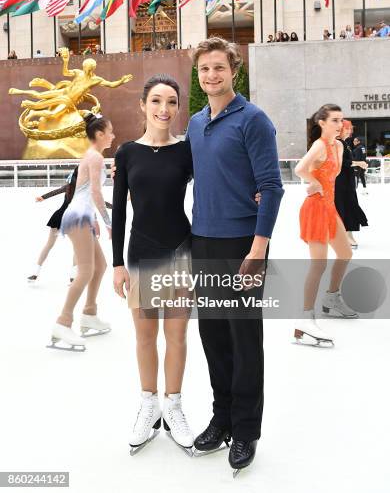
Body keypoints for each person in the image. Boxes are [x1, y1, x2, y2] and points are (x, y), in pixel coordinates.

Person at [188, 37, 284, 474]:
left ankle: (245, 429)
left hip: (243, 245)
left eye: (219, 68)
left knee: (245, 341)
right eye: (204, 69)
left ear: (234, 71)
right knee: (213, 338)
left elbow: (273, 186)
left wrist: (259, 249)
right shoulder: (194, 123)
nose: (211, 75)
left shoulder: (254, 120)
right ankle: (221, 417)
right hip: (202, 241)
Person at [112, 75, 194, 455]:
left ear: (179, 108)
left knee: (176, 336)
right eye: (157, 101)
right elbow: (120, 216)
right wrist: (116, 263)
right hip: (141, 253)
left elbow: (215, 188)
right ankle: (149, 405)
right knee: (145, 337)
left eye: (173, 102)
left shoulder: (187, 151)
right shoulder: (127, 153)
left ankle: (173, 406)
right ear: (143, 105)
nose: (165, 109)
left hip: (180, 251)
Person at [48, 113, 114, 351]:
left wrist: (94, 218)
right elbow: (95, 193)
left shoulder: (92, 156)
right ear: (99, 134)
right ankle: (63, 322)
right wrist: (108, 222)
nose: (113, 136)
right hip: (77, 216)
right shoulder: (95, 157)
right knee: (86, 271)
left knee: (101, 265)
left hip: (81, 215)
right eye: (110, 132)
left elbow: (83, 192)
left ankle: (89, 312)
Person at [295, 105, 356, 349]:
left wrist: (319, 184)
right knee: (318, 264)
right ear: (322, 122)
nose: (339, 124)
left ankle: (331, 299)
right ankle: (305, 318)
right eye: (334, 120)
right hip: (315, 209)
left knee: (345, 253)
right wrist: (314, 183)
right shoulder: (319, 145)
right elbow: (301, 169)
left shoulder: (339, 146)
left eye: (341, 120)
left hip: (329, 208)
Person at [27, 167, 79, 283]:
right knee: (77, 247)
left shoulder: (69, 187)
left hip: (59, 216)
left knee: (49, 245)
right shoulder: (84, 190)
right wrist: (115, 206)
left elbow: (55, 192)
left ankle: (35, 272)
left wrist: (42, 197)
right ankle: (73, 277)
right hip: (70, 218)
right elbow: (100, 203)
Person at [335, 120, 368, 248]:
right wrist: (359, 163)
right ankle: (345, 236)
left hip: (347, 181)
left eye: (350, 129)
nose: (350, 131)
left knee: (349, 206)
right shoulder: (338, 143)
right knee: (344, 206)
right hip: (340, 182)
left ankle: (348, 234)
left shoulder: (345, 143)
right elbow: (341, 162)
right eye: (347, 128)